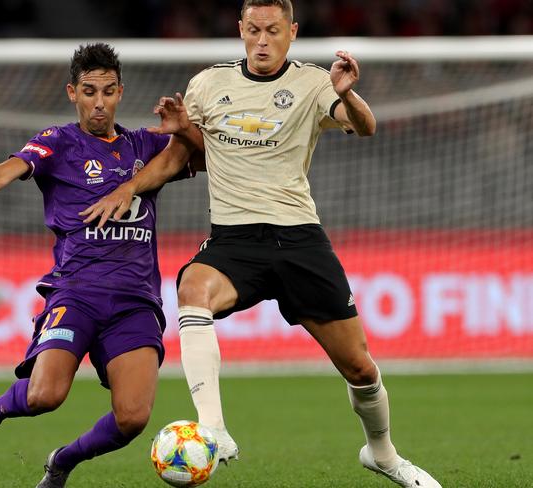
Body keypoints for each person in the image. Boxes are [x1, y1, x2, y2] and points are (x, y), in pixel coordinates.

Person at [80, 1, 443, 487]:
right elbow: (180, 158)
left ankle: (383, 454)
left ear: (291, 32)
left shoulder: (315, 83)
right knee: (192, 287)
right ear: (240, 30)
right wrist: (131, 185)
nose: (263, 40)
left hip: (299, 239)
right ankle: (213, 429)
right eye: (254, 30)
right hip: (234, 239)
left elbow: (365, 126)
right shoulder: (208, 85)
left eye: (273, 30)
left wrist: (348, 94)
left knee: (359, 366)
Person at [0, 42, 199, 488]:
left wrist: (186, 129)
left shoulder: (145, 146)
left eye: (108, 91)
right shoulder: (58, 142)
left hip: (135, 300)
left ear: (121, 92)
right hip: (76, 292)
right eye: (89, 91)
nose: (99, 102)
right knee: (45, 395)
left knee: (133, 418)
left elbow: (209, 157)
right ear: (72, 93)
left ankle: (62, 462)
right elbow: (3, 169)